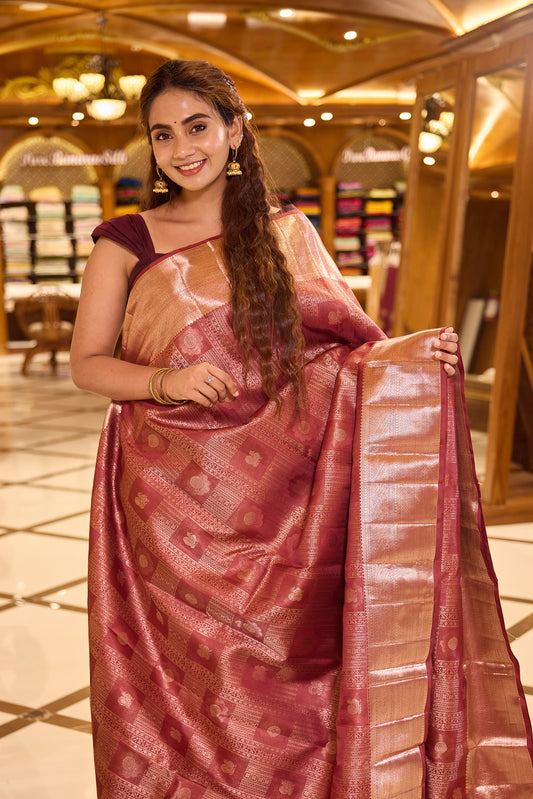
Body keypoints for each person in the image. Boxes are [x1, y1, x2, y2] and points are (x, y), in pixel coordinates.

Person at [70, 60, 533, 799]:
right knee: (189, 668)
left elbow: (338, 354)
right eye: (162, 134)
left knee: (286, 664)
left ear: (233, 130)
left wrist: (408, 357)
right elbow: (87, 364)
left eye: (197, 126)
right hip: (171, 502)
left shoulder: (287, 232)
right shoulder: (128, 240)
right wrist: (169, 380)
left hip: (281, 498)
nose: (181, 148)